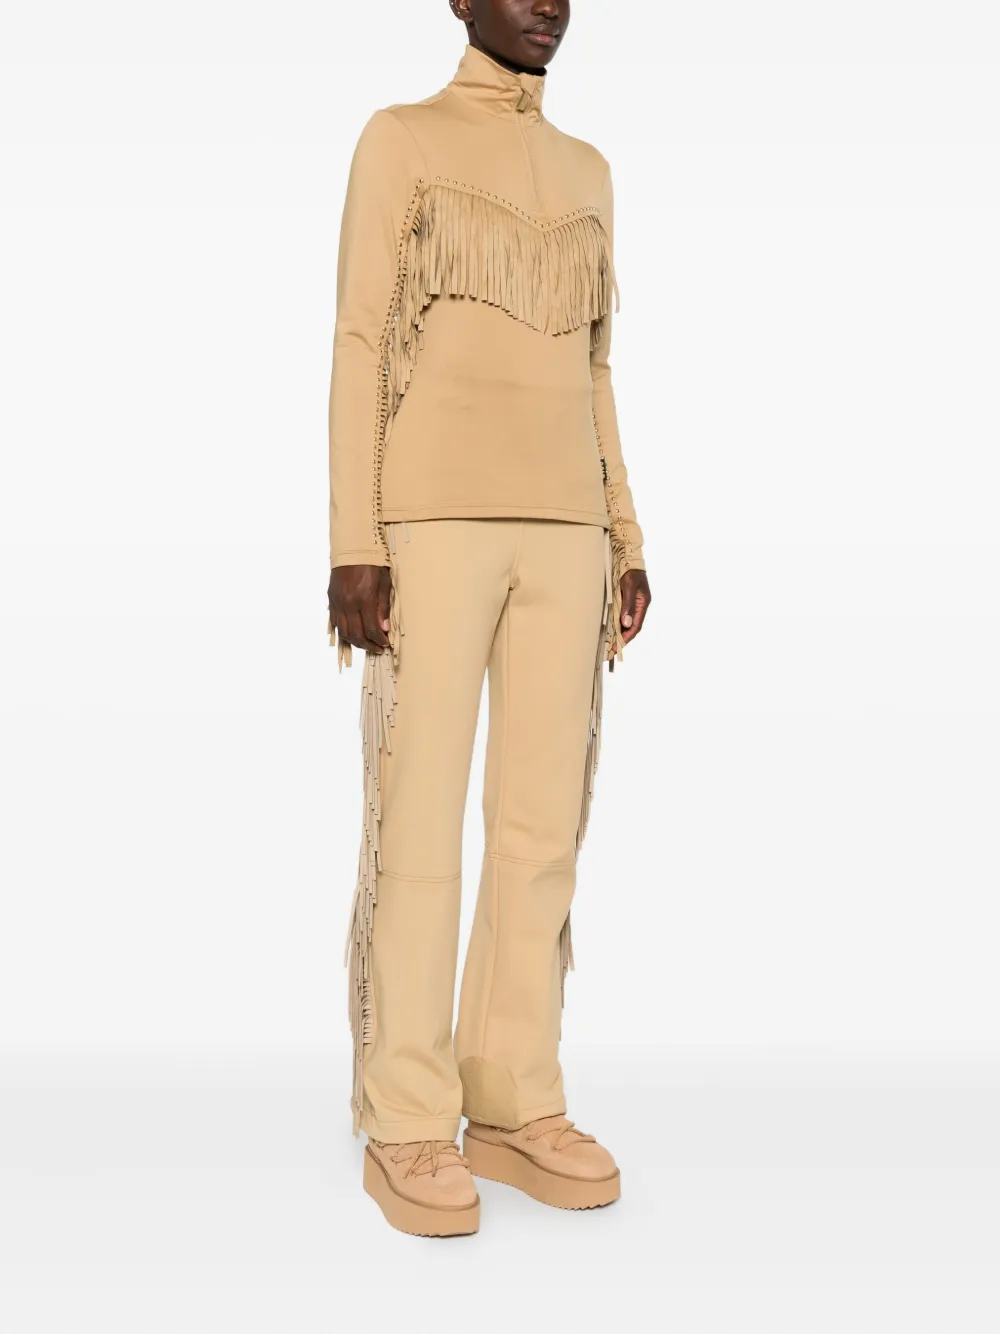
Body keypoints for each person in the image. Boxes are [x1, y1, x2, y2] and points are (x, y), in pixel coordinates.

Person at [326, 0, 651, 1237]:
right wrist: (355, 541)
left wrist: (624, 531)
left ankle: (513, 1099)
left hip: (566, 531)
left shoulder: (589, 170)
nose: (546, 4)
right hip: (432, 523)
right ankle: (406, 1114)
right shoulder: (400, 139)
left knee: (540, 830)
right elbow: (362, 337)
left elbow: (596, 367)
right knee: (417, 826)